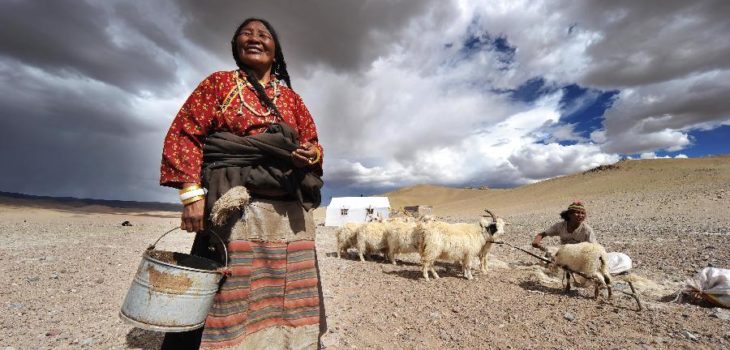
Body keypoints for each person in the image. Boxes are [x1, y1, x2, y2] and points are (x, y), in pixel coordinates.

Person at [159, 18, 325, 350]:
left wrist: (311, 153)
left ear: (275, 49)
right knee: (230, 280)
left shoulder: (291, 99)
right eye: (246, 34)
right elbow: (185, 133)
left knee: (288, 282)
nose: (254, 38)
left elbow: (314, 144)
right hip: (234, 199)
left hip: (287, 207)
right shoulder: (218, 84)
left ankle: (286, 341)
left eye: (263, 35)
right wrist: (191, 194)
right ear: (236, 47)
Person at [531, 201, 596, 250]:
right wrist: (536, 241)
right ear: (569, 214)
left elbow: (594, 248)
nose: (580, 215)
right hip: (564, 254)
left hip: (579, 256)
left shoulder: (587, 230)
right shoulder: (560, 226)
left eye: (583, 213)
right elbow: (542, 234)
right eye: (577, 212)